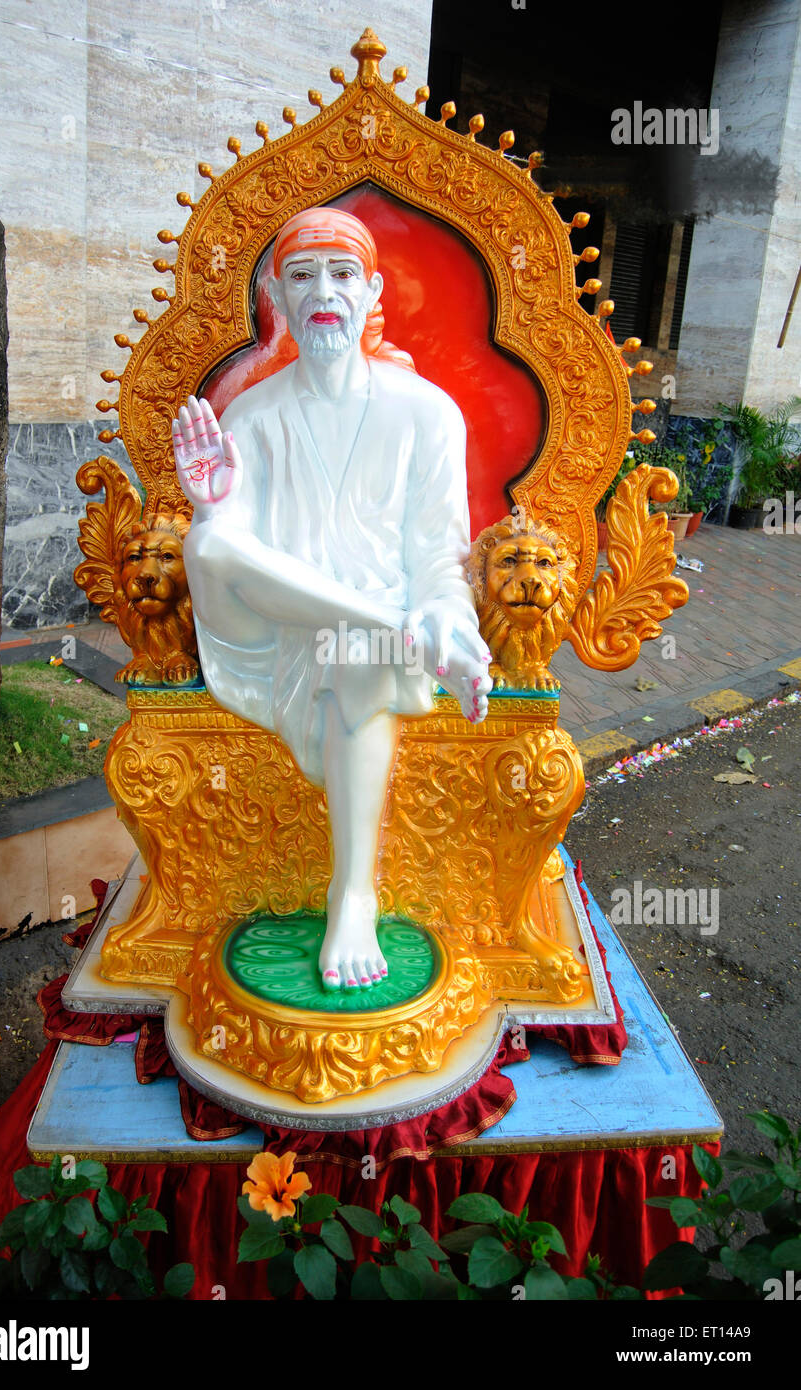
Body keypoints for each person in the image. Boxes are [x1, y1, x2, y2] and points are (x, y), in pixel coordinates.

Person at [174, 207, 491, 991]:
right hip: (275, 635)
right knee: (208, 541)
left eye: (342, 273)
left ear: (372, 288)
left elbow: (438, 557)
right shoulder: (251, 414)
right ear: (275, 295)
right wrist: (214, 502)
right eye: (303, 275)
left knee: (356, 651)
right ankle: (399, 632)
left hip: (370, 645)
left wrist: (446, 617)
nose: (324, 291)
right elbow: (229, 558)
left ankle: (352, 894)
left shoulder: (424, 412)